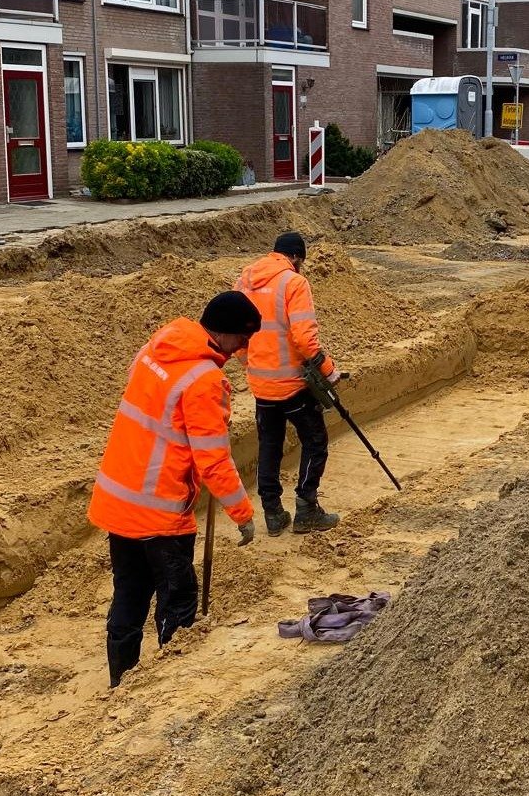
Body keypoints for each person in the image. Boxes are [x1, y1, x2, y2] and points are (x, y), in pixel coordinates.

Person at [88, 290, 261, 687]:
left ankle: (121, 682)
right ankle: (164, 688)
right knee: (178, 599)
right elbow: (213, 460)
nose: (243, 350)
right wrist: (243, 514)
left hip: (120, 500)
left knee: (129, 594)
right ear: (229, 334)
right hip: (160, 512)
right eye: (244, 340)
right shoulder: (204, 380)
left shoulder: (155, 350)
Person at [236, 231, 340, 536]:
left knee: (269, 445)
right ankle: (307, 509)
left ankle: (273, 514)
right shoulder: (294, 283)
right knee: (316, 442)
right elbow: (305, 339)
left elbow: (237, 335)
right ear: (295, 257)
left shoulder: (245, 281)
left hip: (261, 385)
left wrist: (251, 365)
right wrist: (328, 369)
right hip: (293, 385)